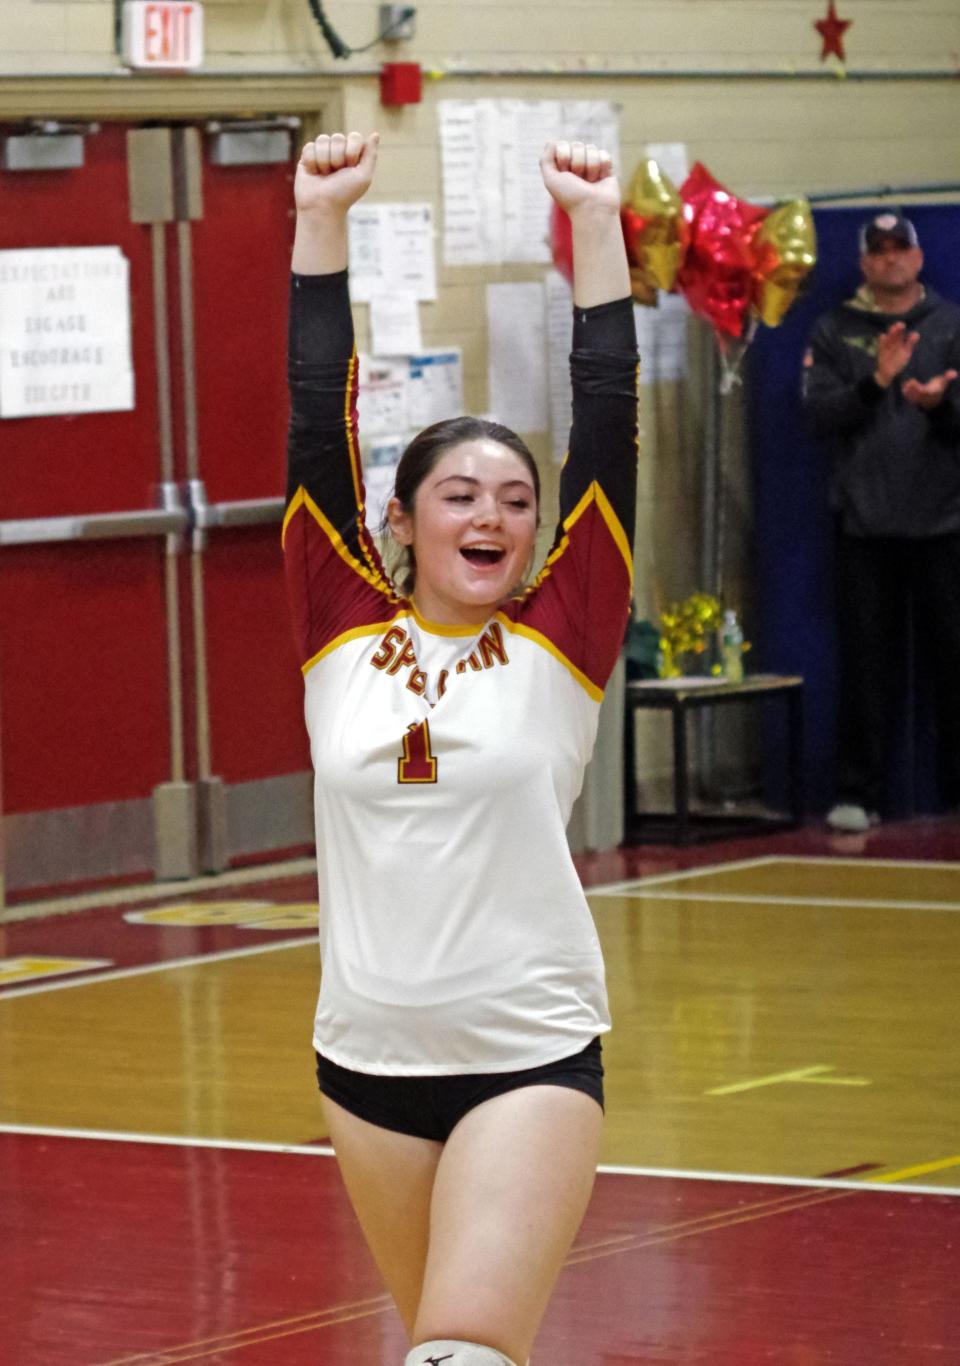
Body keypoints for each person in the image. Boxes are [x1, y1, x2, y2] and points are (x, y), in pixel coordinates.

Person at [283, 131, 637, 1366]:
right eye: (461, 494)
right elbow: (310, 422)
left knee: (462, 1349)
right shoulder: (336, 627)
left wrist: (597, 229)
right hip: (363, 1061)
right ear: (402, 520)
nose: (494, 513)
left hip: (526, 1053)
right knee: (443, 1344)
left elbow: (608, 424)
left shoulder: (567, 633)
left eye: (517, 498)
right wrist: (317, 223)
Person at [803, 210, 960, 833]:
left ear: (918, 259)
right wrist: (877, 382)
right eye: (880, 250)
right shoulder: (833, 329)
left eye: (902, 249)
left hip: (946, 524)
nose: (892, 258)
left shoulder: (951, 324)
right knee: (865, 668)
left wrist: (942, 405)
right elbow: (818, 416)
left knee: (954, 662)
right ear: (865, 262)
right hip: (865, 528)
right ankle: (857, 793)